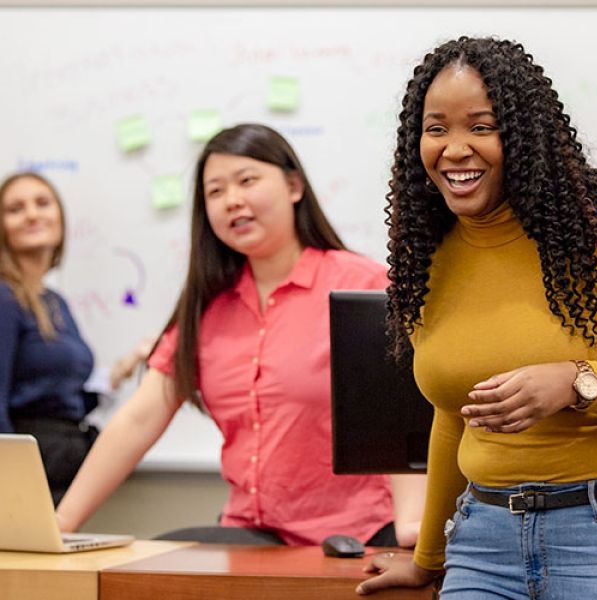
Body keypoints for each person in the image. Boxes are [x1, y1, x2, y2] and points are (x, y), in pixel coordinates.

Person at [357, 37, 597, 598]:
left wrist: (579, 382)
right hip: (483, 546)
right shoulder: (428, 257)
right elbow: (452, 415)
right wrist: (428, 558)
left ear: (525, 136)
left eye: (481, 127)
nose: (455, 148)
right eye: (436, 129)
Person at [56, 123, 424, 547]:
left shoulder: (362, 284)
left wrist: (410, 529)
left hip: (355, 534)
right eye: (215, 191)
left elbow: (405, 418)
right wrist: (60, 523)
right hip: (250, 532)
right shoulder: (206, 308)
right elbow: (138, 420)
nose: (232, 200)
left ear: (293, 186)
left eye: (247, 181)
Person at [0, 172, 147, 505]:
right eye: (15, 208)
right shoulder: (4, 299)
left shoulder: (54, 302)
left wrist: (124, 368)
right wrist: (11, 490)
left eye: (43, 203)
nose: (33, 214)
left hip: (62, 466)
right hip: (26, 475)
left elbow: (66, 400)